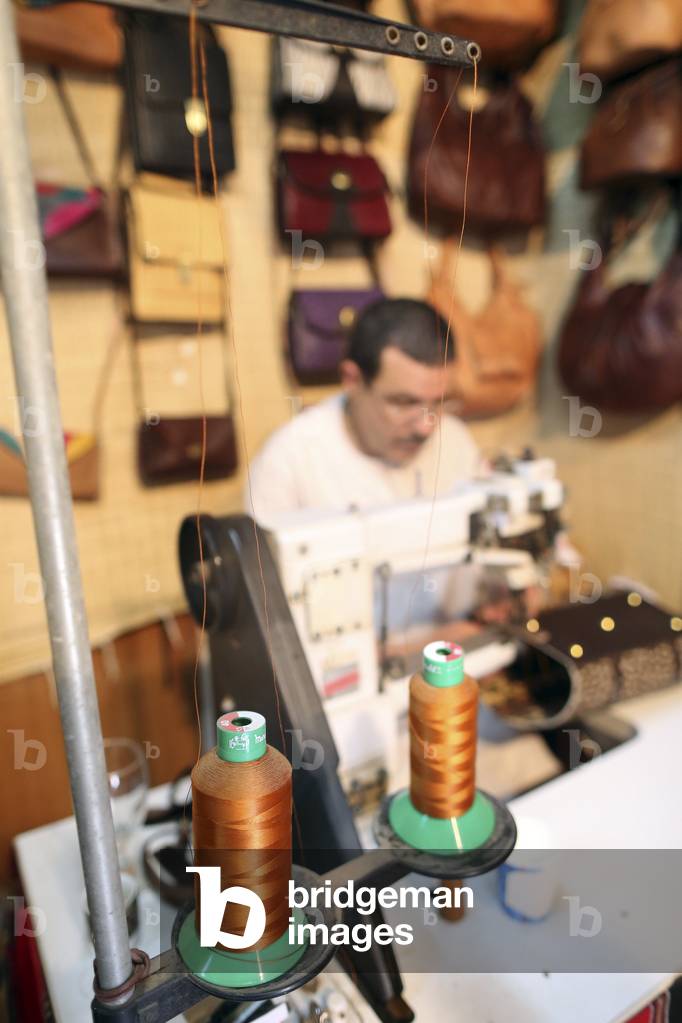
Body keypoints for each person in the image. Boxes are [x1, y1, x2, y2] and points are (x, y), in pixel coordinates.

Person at [245, 298, 479, 526]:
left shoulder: (454, 440)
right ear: (352, 380)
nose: (425, 427)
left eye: (439, 402)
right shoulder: (287, 462)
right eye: (403, 403)